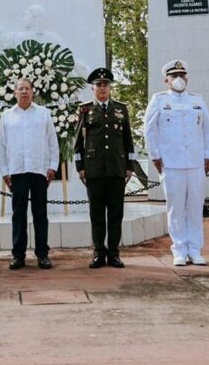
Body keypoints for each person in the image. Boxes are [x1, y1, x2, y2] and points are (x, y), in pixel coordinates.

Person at [143, 60, 209, 266]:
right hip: (171, 163)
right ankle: (179, 250)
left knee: (194, 207)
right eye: (174, 76)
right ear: (166, 80)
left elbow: (208, 131)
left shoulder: (198, 100)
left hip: (195, 163)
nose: (179, 80)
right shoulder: (158, 100)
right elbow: (150, 130)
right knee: (175, 208)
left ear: (187, 79)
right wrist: (155, 155)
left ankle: (195, 249)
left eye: (182, 76)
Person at [73, 67, 135, 269]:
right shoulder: (85, 110)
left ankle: (114, 253)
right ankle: (99, 252)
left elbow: (128, 141)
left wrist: (130, 166)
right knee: (97, 214)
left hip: (117, 169)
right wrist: (80, 166)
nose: (102, 88)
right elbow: (77, 144)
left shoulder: (121, 109)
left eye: (105, 85)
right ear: (93, 88)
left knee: (116, 214)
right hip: (94, 170)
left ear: (110, 88)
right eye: (98, 85)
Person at [0, 78, 59, 269]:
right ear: (15, 93)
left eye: (27, 89)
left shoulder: (43, 114)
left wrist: (53, 166)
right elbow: (1, 146)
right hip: (17, 171)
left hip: (39, 170)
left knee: (40, 213)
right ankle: (18, 255)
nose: (24, 92)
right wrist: (5, 172)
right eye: (20, 89)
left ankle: (42, 254)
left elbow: (52, 142)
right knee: (18, 214)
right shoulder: (7, 116)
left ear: (33, 92)